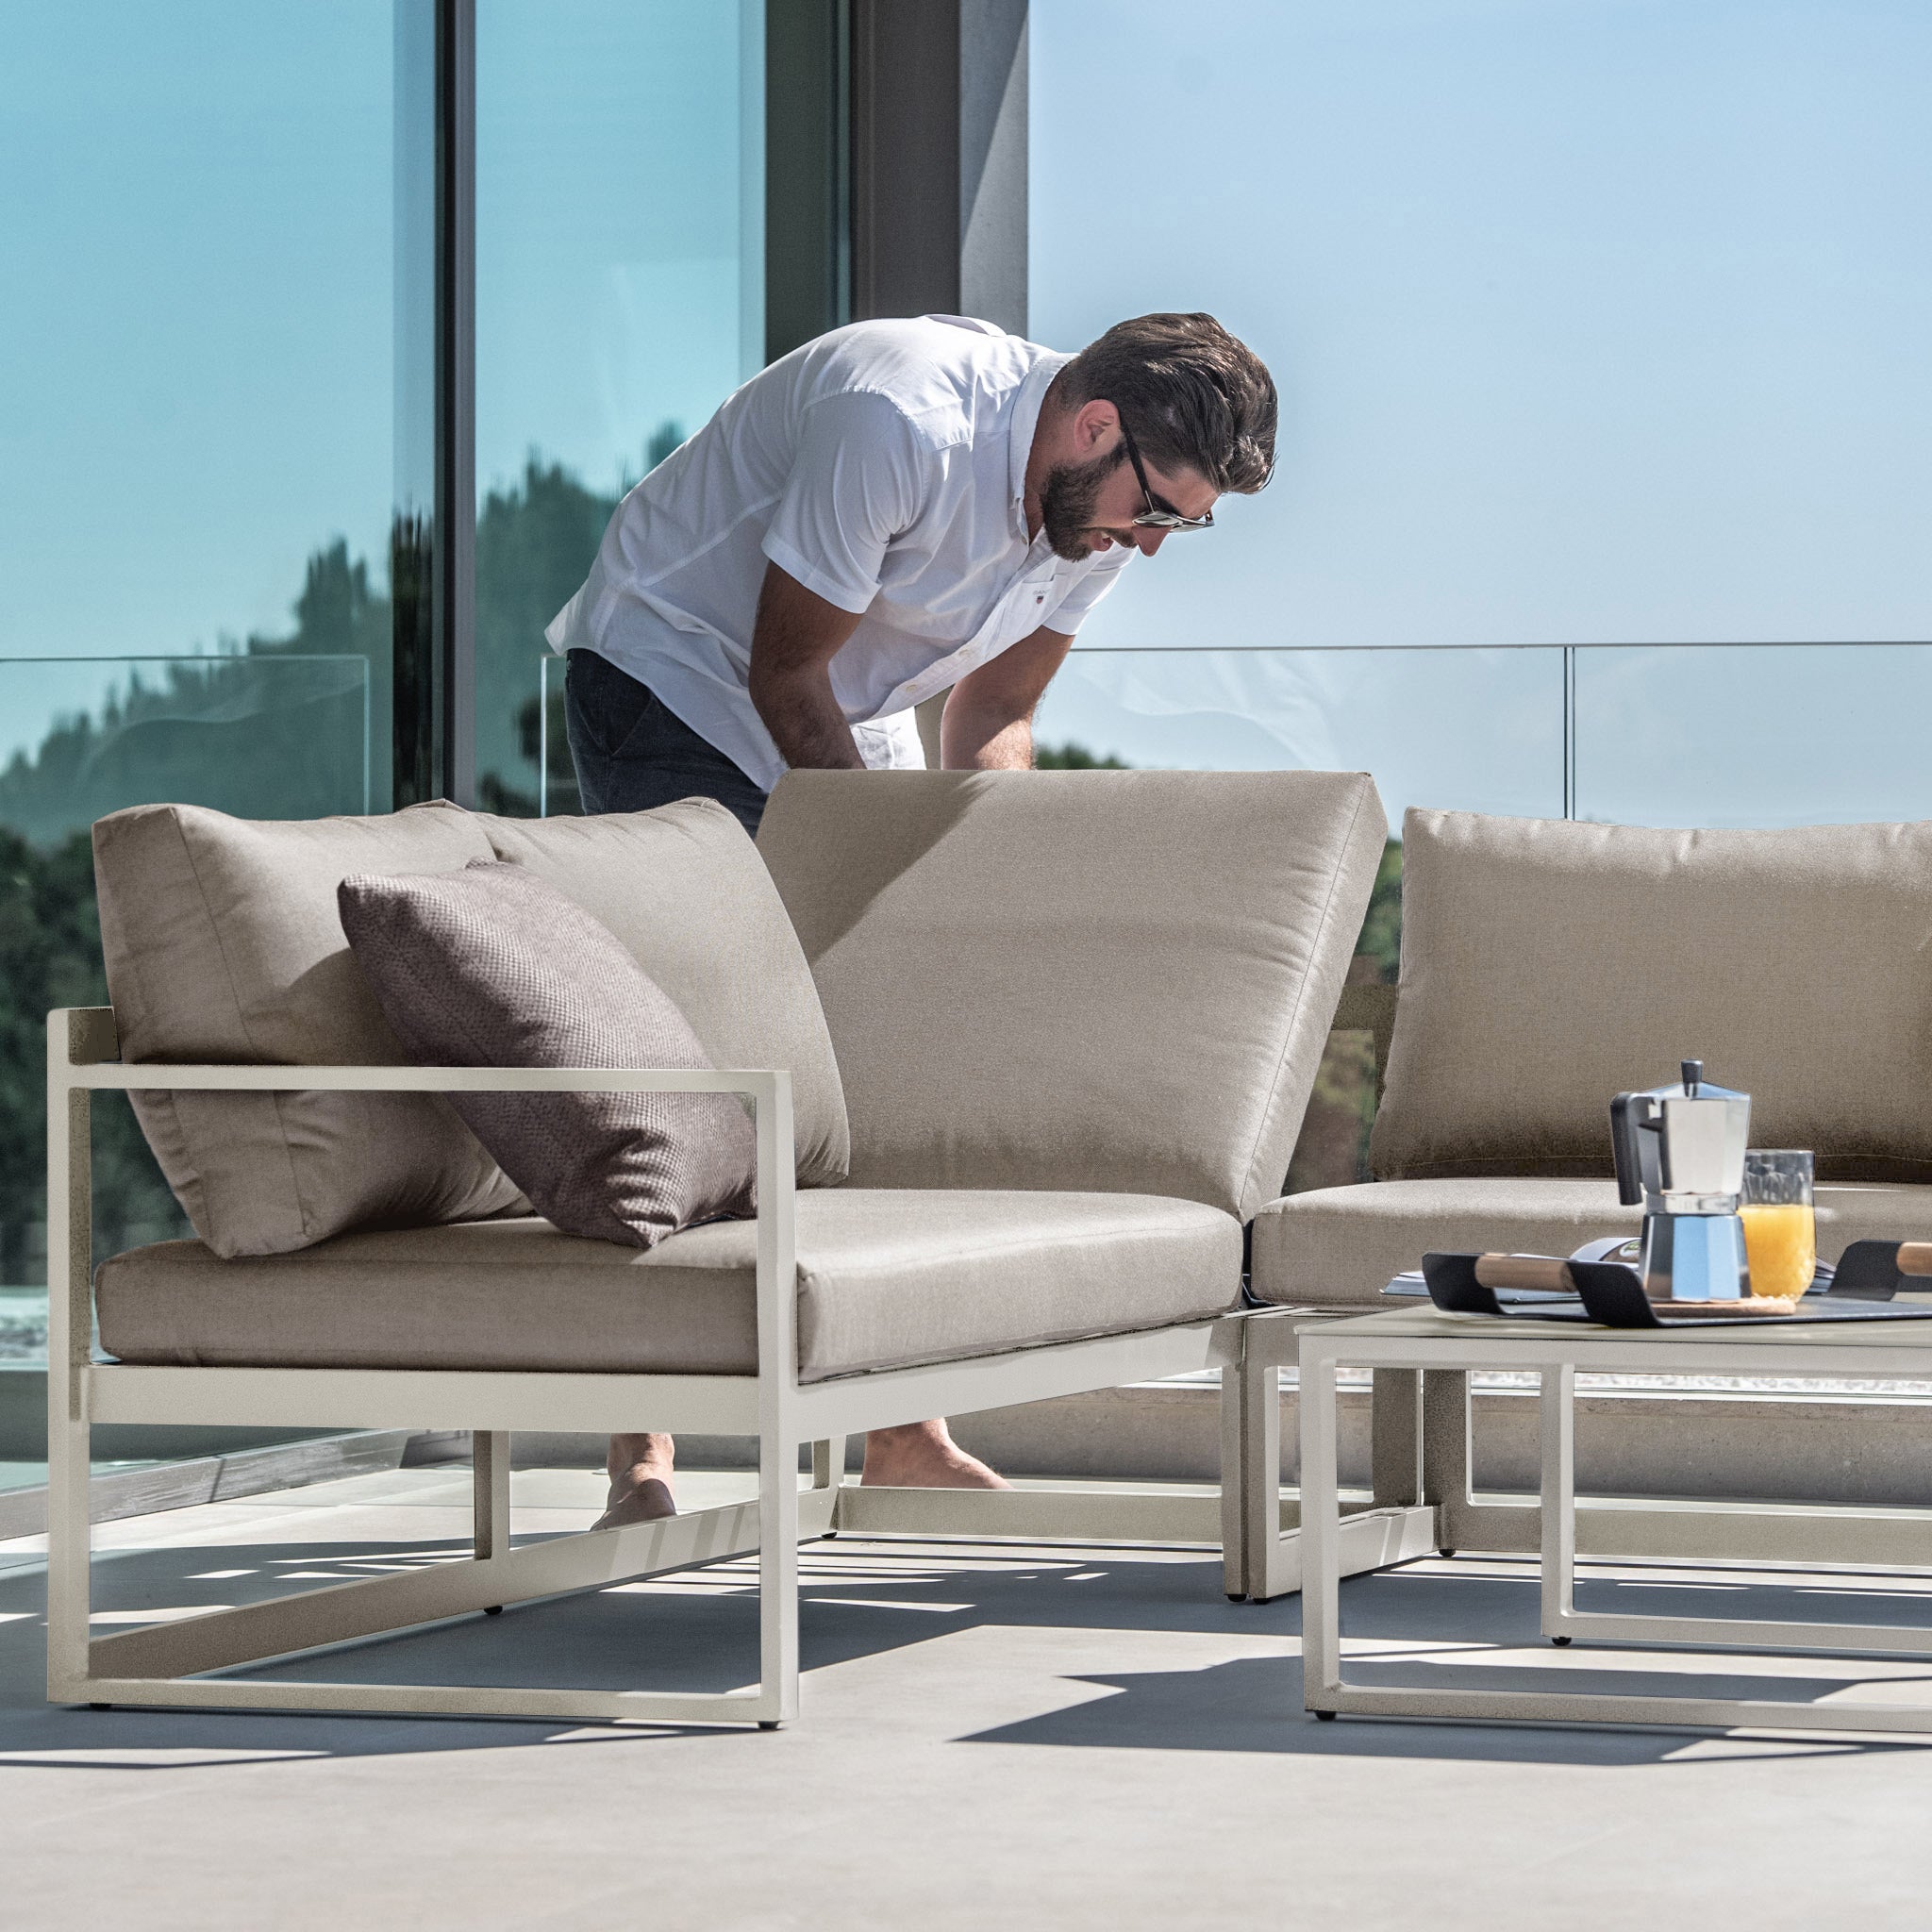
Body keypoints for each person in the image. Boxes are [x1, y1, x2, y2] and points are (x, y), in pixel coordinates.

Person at [548, 309, 1277, 1528]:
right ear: (1095, 427)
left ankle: (902, 1433)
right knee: (687, 1047)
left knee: (884, 1037)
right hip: (672, 669)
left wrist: (991, 899)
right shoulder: (902, 424)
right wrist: (870, 881)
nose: (1148, 548)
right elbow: (781, 670)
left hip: (843, 695)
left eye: (1180, 530)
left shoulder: (1090, 507)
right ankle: (643, 1454)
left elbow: (992, 708)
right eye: (1156, 513)